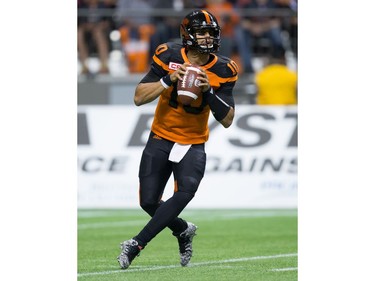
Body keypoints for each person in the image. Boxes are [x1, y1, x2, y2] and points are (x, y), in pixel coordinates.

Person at [117, 9, 238, 269]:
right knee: (148, 201)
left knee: (186, 192)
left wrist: (207, 92)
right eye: (201, 32)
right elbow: (139, 97)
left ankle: (136, 244)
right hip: (161, 135)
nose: (207, 38)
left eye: (211, 33)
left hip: (193, 141)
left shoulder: (223, 68)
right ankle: (183, 229)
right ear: (188, 35)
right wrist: (168, 79)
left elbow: (227, 120)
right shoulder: (168, 55)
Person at [77, 0, 113, 75]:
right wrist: (88, 26)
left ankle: (104, 65)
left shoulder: (103, 6)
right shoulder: (82, 7)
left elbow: (108, 22)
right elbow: (80, 23)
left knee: (98, 33)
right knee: (79, 33)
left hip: (101, 31)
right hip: (86, 32)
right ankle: (84, 66)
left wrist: (98, 26)